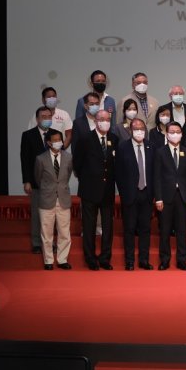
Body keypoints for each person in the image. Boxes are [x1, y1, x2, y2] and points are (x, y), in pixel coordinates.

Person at [72, 108, 116, 270]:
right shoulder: (85, 139)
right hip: (89, 190)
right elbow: (77, 163)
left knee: (107, 227)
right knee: (89, 226)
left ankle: (105, 258)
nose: (105, 122)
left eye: (108, 120)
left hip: (108, 190)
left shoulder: (114, 139)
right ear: (96, 121)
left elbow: (115, 164)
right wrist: (87, 178)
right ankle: (90, 258)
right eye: (102, 119)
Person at [114, 118, 155, 270]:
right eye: (136, 129)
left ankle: (144, 260)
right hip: (130, 194)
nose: (139, 131)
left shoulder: (151, 146)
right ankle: (130, 261)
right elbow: (118, 172)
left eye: (142, 129)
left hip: (147, 193)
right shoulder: (122, 147)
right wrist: (124, 193)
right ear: (130, 131)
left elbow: (154, 172)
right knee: (129, 229)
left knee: (145, 229)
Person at [153, 122, 186, 270]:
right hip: (165, 197)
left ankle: (182, 260)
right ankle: (164, 260)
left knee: (182, 231)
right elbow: (157, 177)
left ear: (182, 134)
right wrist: (158, 198)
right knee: (165, 230)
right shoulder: (160, 152)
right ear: (167, 134)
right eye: (172, 131)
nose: (175, 134)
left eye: (178, 131)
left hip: (182, 196)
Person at [34, 129, 73, 270]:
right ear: (49, 143)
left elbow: (67, 175)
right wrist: (48, 189)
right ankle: (48, 261)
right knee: (47, 232)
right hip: (46, 199)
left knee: (64, 232)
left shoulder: (68, 157)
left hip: (63, 198)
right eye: (55, 140)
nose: (58, 142)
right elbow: (38, 178)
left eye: (60, 140)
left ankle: (62, 260)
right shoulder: (40, 159)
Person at [21, 106, 52, 254]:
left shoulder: (56, 134)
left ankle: (50, 242)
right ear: (37, 119)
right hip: (35, 181)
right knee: (36, 213)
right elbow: (25, 159)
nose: (47, 119)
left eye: (49, 116)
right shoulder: (28, 135)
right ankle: (36, 243)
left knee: (51, 215)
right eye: (43, 117)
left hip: (52, 182)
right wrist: (26, 180)